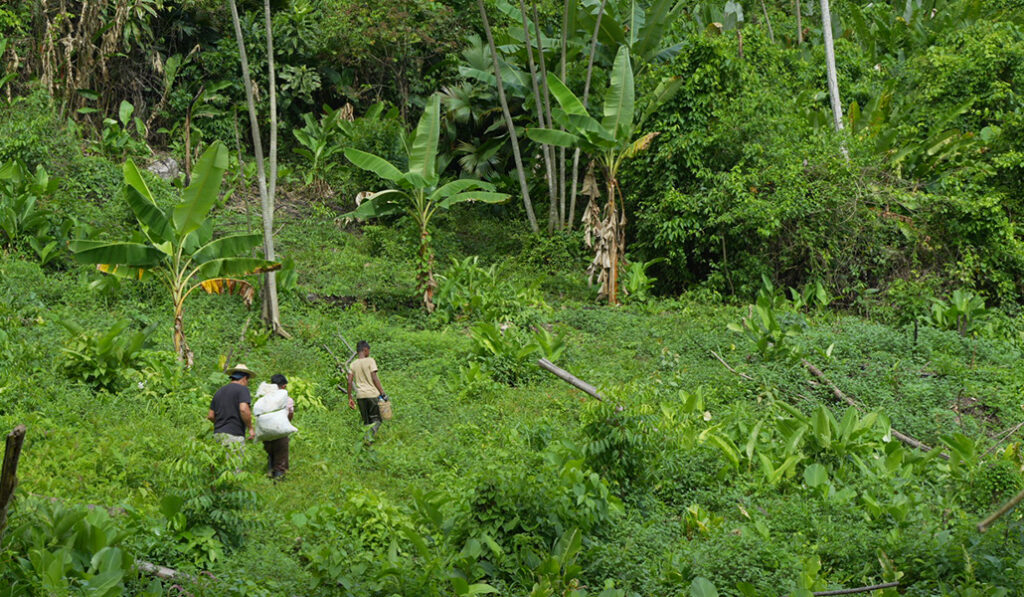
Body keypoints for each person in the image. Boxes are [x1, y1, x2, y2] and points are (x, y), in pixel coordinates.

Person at [208, 364, 255, 465]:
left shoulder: (219, 392)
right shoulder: (242, 390)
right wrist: (250, 428)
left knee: (220, 467)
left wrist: (221, 423)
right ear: (244, 378)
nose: (247, 383)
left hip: (218, 435)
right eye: (248, 380)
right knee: (234, 467)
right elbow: (243, 409)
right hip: (234, 435)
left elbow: (211, 415)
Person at [256, 373, 294, 480]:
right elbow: (290, 414)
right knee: (281, 458)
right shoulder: (287, 399)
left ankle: (269, 474)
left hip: (266, 433)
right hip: (280, 433)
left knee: (270, 454)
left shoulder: (265, 398)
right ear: (284, 386)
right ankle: (279, 481)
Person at [348, 340, 387, 441]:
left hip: (360, 396)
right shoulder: (370, 360)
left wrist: (350, 398)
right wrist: (382, 393)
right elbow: (374, 377)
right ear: (365, 350)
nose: (369, 352)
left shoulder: (353, 364)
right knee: (377, 420)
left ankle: (366, 444)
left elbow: (349, 382)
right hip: (372, 395)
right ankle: (367, 439)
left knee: (367, 422)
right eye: (368, 350)